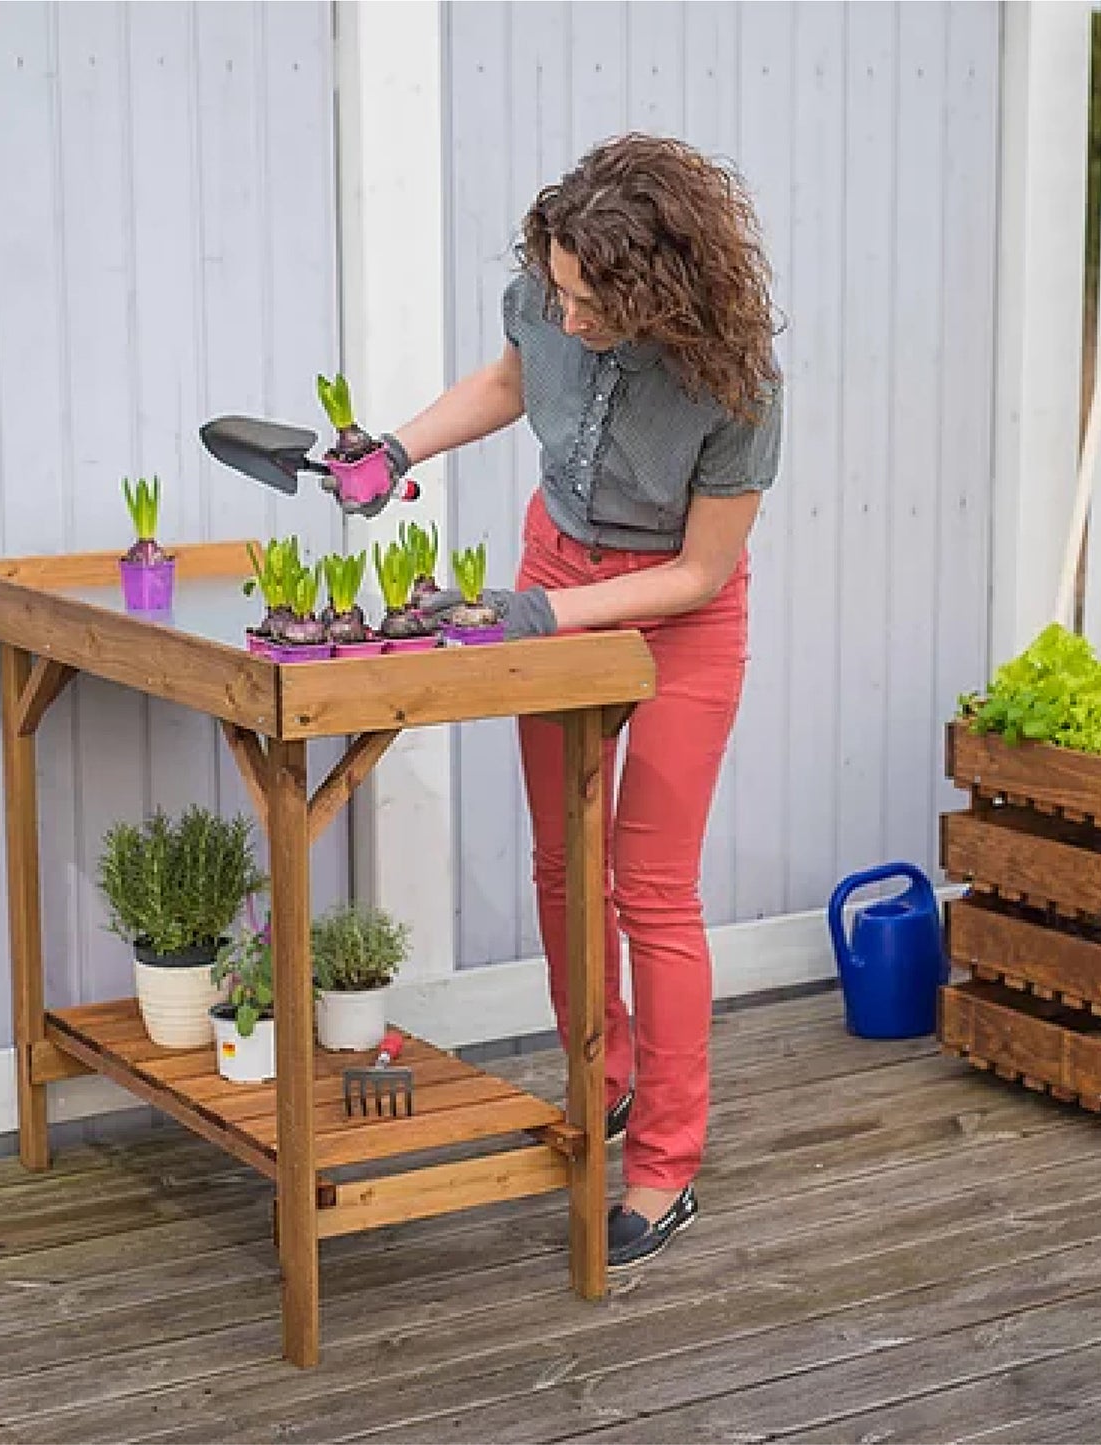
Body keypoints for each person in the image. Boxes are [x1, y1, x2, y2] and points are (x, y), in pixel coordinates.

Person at [354, 132, 783, 1268]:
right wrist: (393, 447)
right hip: (555, 570)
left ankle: (665, 1159)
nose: (570, 316)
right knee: (563, 866)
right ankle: (599, 1078)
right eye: (558, 290)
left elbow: (697, 573)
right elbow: (509, 379)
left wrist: (549, 619)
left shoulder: (736, 382)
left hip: (679, 618)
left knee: (649, 888)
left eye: (593, 302)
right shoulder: (547, 289)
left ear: (660, 291)